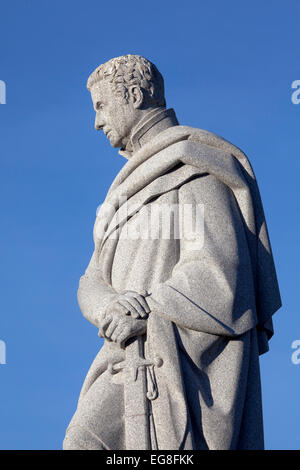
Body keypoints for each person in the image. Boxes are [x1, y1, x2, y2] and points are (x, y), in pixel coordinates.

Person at [63, 54, 281, 450]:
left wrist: (147, 311)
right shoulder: (123, 191)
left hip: (173, 360)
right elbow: (92, 279)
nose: (96, 122)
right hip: (122, 358)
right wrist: (110, 307)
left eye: (100, 106)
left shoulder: (197, 167)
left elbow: (222, 272)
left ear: (132, 95)